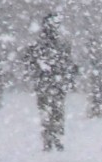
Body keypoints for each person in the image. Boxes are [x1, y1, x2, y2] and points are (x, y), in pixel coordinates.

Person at [23, 13, 77, 151]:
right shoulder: (59, 45)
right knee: (54, 111)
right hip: (53, 83)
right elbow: (68, 63)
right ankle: (54, 137)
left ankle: (50, 137)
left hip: (48, 83)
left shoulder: (40, 45)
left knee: (49, 111)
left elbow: (29, 62)